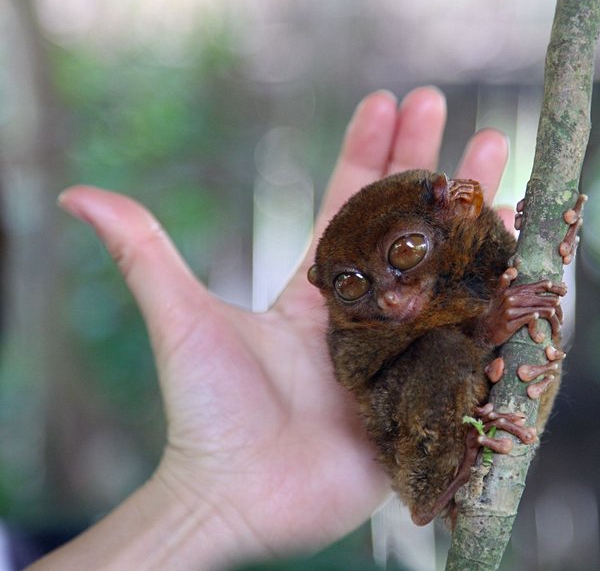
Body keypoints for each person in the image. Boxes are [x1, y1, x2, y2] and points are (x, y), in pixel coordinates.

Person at [28, 86, 512, 570]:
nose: (387, 294)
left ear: (459, 203)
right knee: (442, 351)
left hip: (460, 398)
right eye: (352, 285)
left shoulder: (471, 243)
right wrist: (207, 504)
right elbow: (393, 360)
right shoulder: (361, 339)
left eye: (406, 252)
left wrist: (206, 510)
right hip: (426, 437)